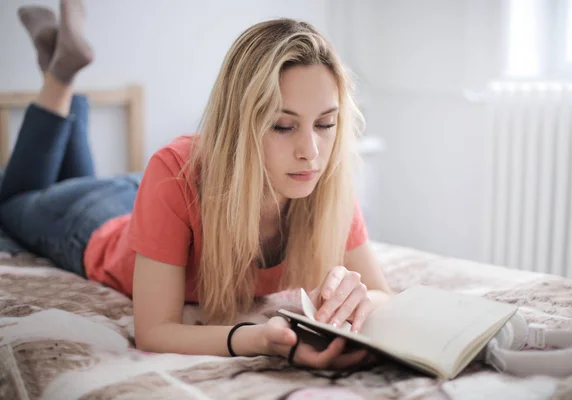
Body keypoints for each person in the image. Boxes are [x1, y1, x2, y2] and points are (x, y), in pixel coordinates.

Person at [0, 0, 392, 369]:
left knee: (67, 183)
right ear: (239, 125)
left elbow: (381, 294)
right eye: (283, 126)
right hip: (94, 220)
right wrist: (255, 339)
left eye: (326, 124)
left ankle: (64, 70)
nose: (312, 152)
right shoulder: (175, 172)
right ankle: (60, 78)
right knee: (12, 203)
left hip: (148, 197)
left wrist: (359, 301)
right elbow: (154, 331)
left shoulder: (328, 177)